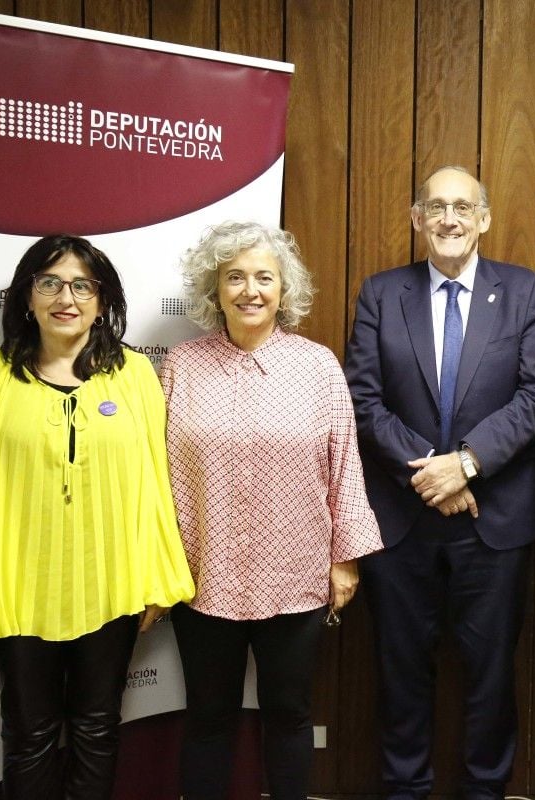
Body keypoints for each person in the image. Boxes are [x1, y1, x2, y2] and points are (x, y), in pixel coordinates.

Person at [0, 235, 194, 798]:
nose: (65, 297)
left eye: (82, 285)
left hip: (112, 585)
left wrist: (157, 576)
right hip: (18, 587)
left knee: (98, 728)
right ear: (27, 297)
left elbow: (154, 482)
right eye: (49, 282)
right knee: (28, 732)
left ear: (102, 300)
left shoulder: (133, 376)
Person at [344, 165, 535, 800]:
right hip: (403, 521)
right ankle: (404, 790)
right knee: (400, 672)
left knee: (491, 677)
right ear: (417, 219)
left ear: (483, 218)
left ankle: (485, 791)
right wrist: (431, 474)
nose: (449, 219)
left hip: (495, 523)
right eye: (435, 207)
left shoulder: (525, 292)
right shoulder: (382, 294)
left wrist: (463, 464)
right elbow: (363, 398)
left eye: (463, 207)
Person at [161, 221, 382, 800]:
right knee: (208, 715)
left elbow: (344, 465)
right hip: (202, 574)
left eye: (264, 277)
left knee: (289, 712)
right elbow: (154, 475)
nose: (250, 290)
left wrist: (346, 560)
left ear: (285, 289)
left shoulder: (317, 366)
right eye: (235, 277)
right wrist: (157, 566)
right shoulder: (181, 366)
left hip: (295, 574)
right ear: (216, 288)